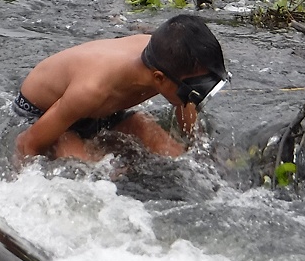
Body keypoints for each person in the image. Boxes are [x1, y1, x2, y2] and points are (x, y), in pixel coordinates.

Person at [13, 14, 230, 163]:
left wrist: (200, 149)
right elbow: (28, 144)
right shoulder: (92, 88)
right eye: (195, 91)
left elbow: (185, 102)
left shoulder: (168, 58)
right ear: (159, 78)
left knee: (171, 150)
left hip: (101, 112)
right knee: (85, 171)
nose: (197, 96)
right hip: (45, 114)